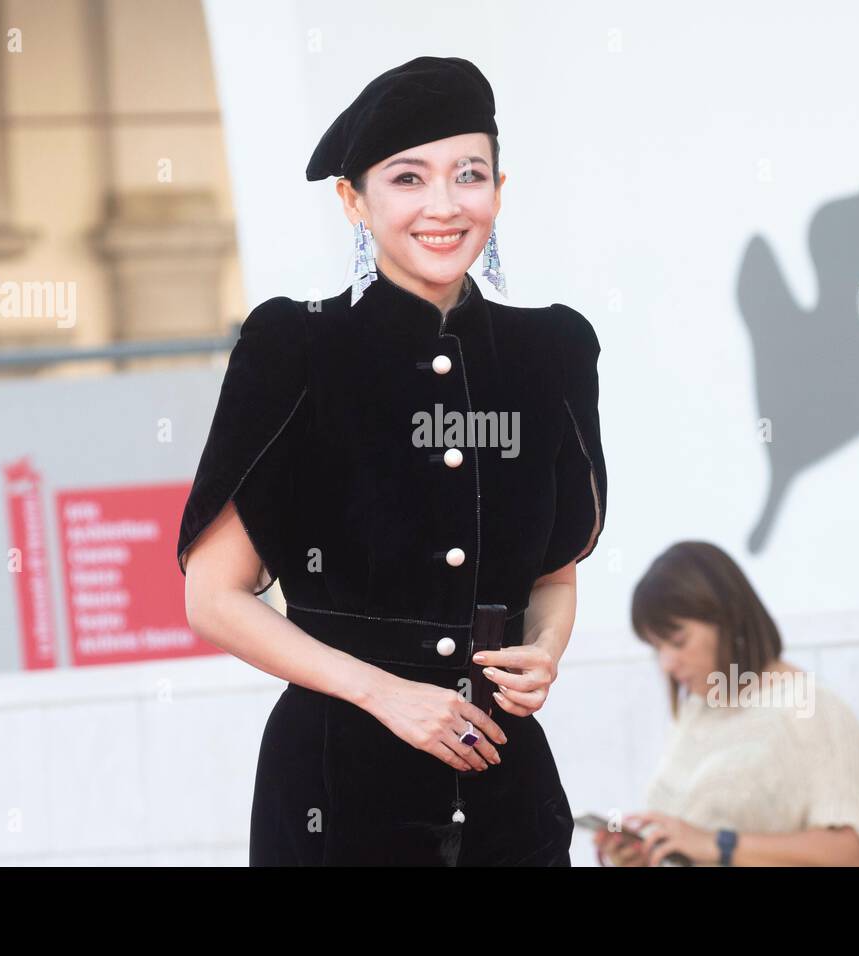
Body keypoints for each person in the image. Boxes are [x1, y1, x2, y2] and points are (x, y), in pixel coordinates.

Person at [177, 56, 608, 866]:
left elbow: (553, 575)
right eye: (408, 179)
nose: (444, 205)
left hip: (505, 794)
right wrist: (386, 695)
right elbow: (213, 599)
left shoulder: (551, 351)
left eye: (468, 175)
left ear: (499, 191)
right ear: (355, 201)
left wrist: (543, 652)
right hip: (340, 796)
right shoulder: (294, 350)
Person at [593, 541, 859, 866]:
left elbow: (851, 853)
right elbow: (690, 846)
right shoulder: (698, 712)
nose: (667, 665)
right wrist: (648, 855)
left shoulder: (810, 707)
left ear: (728, 619)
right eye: (657, 648)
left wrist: (719, 844)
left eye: (678, 641)